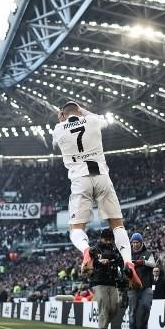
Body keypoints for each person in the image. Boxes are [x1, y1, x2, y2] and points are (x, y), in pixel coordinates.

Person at [52, 101, 142, 288]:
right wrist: (81, 110)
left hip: (80, 180)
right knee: (117, 225)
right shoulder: (92, 120)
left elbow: (55, 142)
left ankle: (86, 251)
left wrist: (63, 119)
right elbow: (101, 121)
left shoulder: (58, 129)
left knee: (76, 228)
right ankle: (127, 261)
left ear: (63, 114)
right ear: (79, 110)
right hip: (101, 176)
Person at [87, 229, 127, 329]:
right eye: (107, 239)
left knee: (115, 307)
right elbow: (89, 263)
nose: (109, 241)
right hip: (98, 281)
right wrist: (99, 262)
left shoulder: (115, 249)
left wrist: (117, 262)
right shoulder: (94, 249)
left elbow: (121, 261)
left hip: (112, 281)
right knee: (104, 306)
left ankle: (102, 325)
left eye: (111, 239)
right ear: (102, 238)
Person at [127, 233, 158, 329]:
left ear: (141, 242)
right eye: (133, 242)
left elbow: (153, 264)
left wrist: (142, 262)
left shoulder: (148, 253)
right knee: (132, 311)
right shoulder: (127, 254)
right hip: (132, 287)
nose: (135, 244)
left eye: (137, 242)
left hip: (146, 286)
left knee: (146, 307)